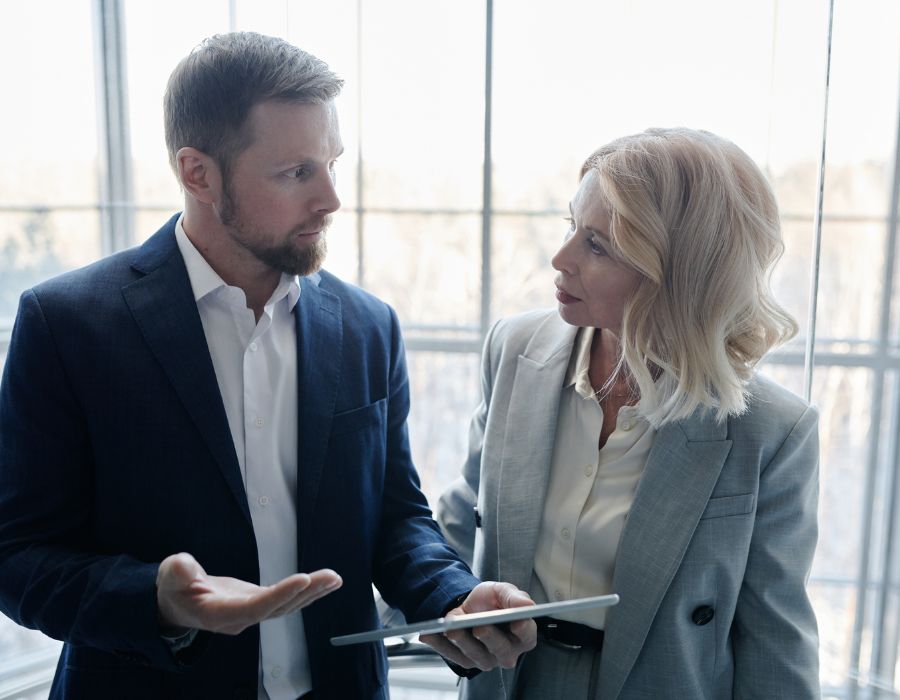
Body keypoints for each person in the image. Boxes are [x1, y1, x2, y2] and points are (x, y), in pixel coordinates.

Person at [0, 32, 535, 700]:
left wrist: (454, 599)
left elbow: (397, 518)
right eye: (296, 173)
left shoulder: (369, 327)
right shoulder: (68, 324)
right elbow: (18, 557)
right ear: (197, 173)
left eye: (332, 163)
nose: (331, 199)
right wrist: (157, 601)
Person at [436, 127, 820, 699]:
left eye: (597, 246)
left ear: (680, 274)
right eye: (572, 226)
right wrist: (441, 602)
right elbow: (461, 519)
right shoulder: (515, 349)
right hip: (506, 684)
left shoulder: (770, 431)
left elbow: (774, 639)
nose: (560, 258)